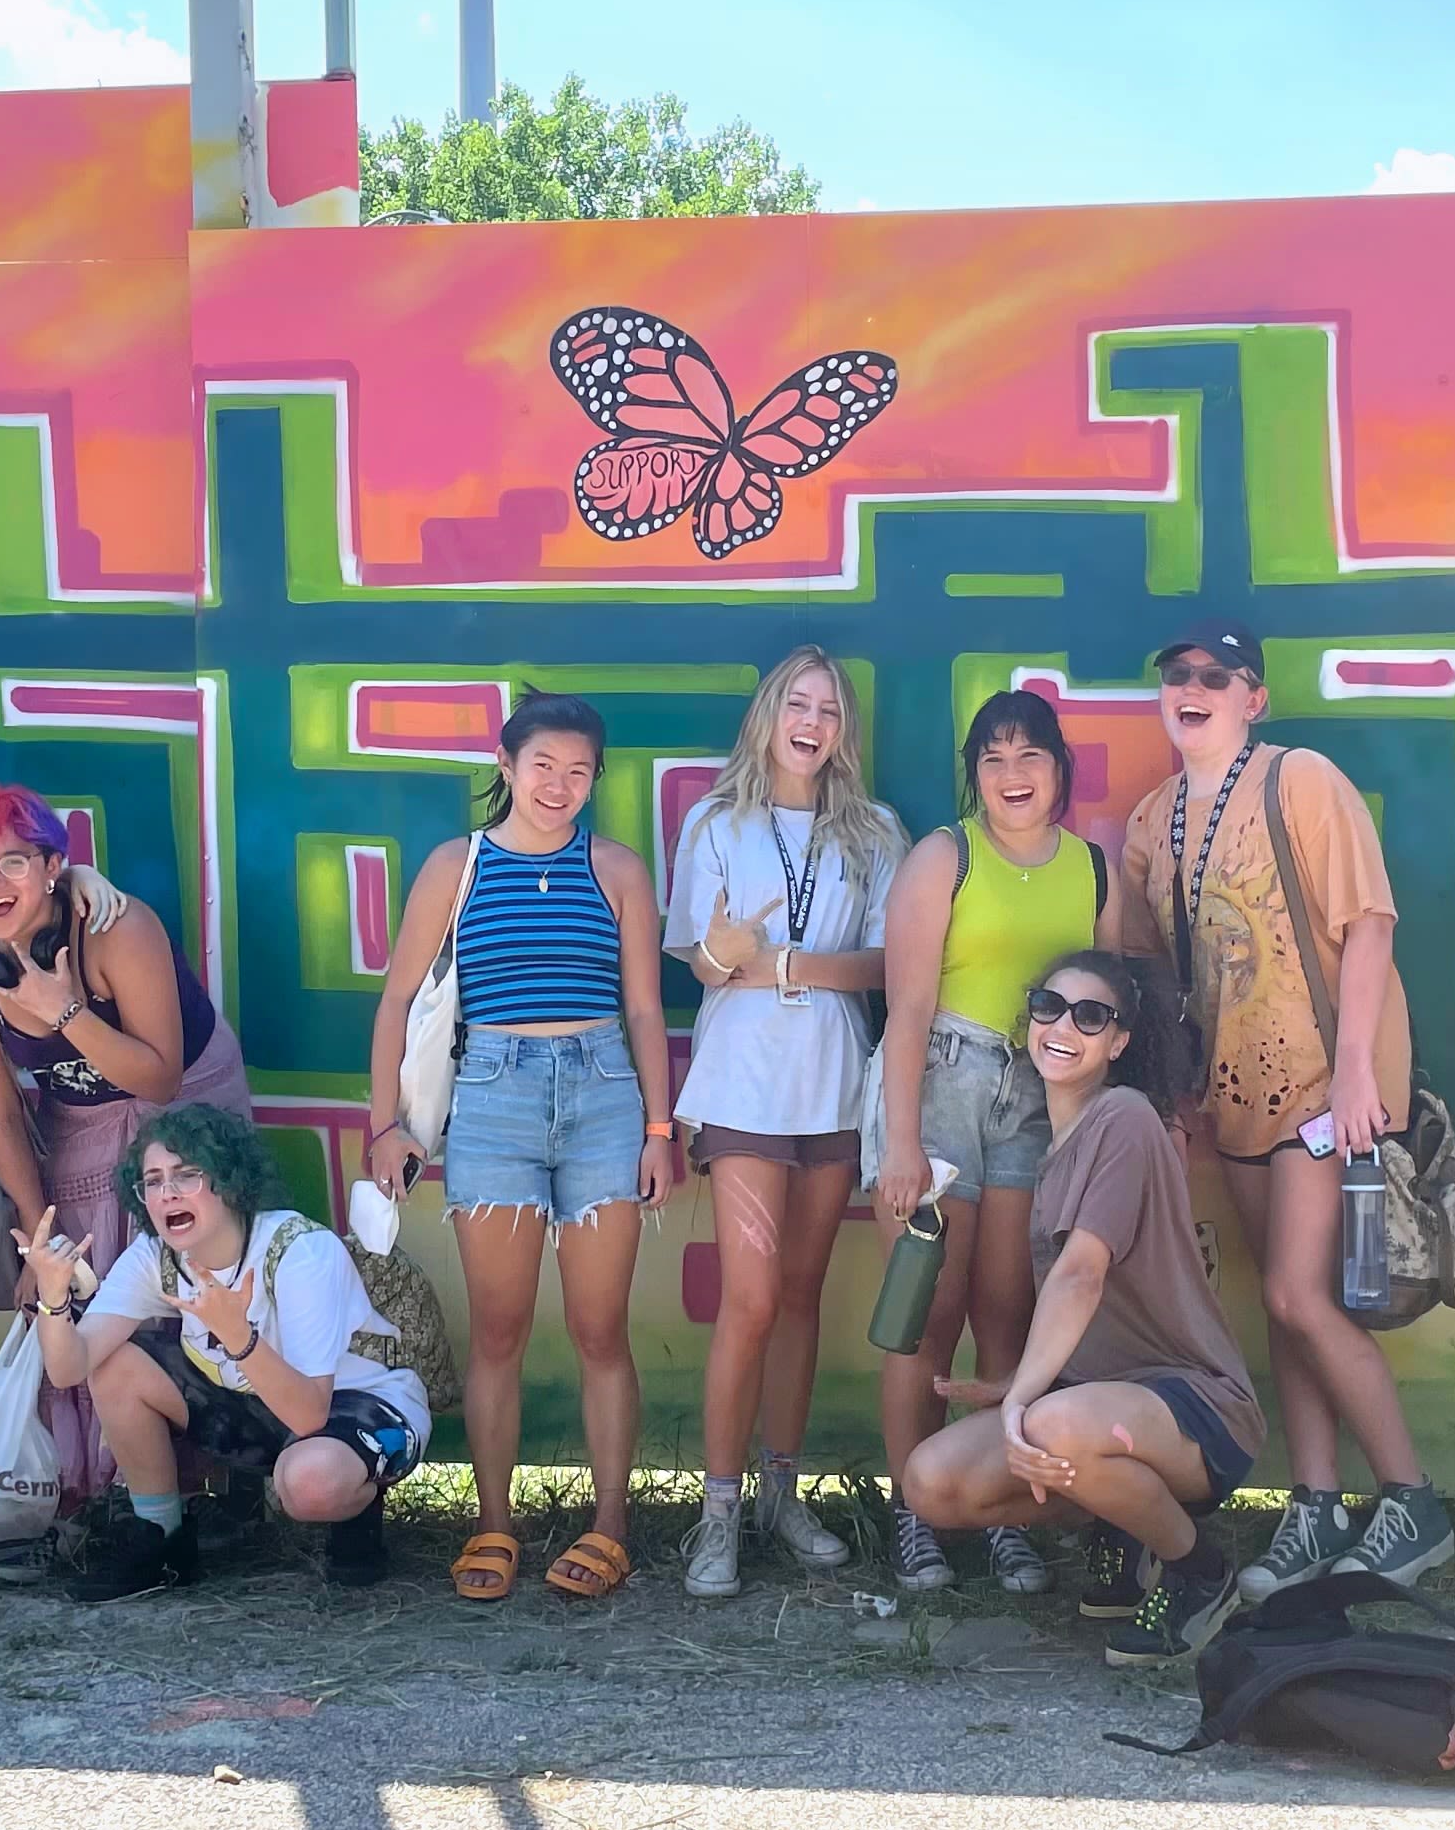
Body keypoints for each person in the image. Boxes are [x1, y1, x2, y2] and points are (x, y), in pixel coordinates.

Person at [1115, 622, 1454, 1600]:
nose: (1192, 688)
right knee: (1285, 1309)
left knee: (1299, 1298)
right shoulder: (1153, 821)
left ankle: (1411, 1499)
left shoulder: (1301, 780)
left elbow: (1370, 924)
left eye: (1214, 676)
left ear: (1252, 697)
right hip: (1234, 1099)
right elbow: (1150, 969)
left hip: (1321, 1085)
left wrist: (1356, 1073)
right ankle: (1314, 1505)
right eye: (1175, 674)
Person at [361, 690, 686, 1604]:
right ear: (505, 767)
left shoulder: (617, 869)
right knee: (497, 1333)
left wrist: (660, 1131)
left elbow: (646, 1009)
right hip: (493, 1099)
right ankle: (492, 1523)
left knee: (600, 1332)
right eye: (542, 764)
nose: (560, 784)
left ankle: (611, 1526)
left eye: (579, 770)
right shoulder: (454, 867)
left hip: (605, 1097)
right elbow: (397, 1000)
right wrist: (382, 1122)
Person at [901, 951, 1265, 1670]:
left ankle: (1200, 1574)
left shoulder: (1125, 1117)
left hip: (1198, 1410)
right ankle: (1125, 1528)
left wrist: (1024, 1399)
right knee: (929, 1481)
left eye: (1090, 1016)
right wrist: (1017, 1391)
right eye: (1049, 1006)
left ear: (1119, 1042)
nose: (1063, 1026)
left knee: (1051, 1426)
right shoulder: (1052, 1150)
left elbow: (1080, 1278)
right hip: (1106, 1406)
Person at [0, 783, 252, 1517]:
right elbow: (3, 1116)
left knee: (192, 1288)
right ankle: (113, 1493)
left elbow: (160, 1075)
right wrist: (37, 1244)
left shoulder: (114, 927)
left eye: (14, 861)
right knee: (84, 1292)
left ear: (53, 868)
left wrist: (61, 1011)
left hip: (188, 1112)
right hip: (79, 1122)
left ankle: (212, 1484)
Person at [660, 648, 896, 1598]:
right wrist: (727, 954)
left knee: (801, 1298)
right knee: (751, 1299)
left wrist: (783, 963)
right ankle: (716, 1514)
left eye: (829, 710)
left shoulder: (876, 832)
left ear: (845, 731)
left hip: (835, 1082)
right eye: (797, 704)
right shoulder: (717, 822)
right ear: (767, 716)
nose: (812, 722)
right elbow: (703, 961)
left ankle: (780, 1496)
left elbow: (883, 964)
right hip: (743, 1082)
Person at [872, 688, 1103, 1599]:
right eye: (994, 758)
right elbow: (908, 1005)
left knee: (1009, 1310)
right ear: (974, 775)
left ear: (1059, 771)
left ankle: (1000, 1509)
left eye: (1031, 756)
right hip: (941, 1082)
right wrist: (898, 1140)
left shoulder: (1092, 867)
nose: (1013, 775)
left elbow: (1112, 1001)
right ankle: (913, 1513)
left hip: (1044, 1095)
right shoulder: (946, 855)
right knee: (924, 1316)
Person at [20, 1105, 427, 1597]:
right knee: (115, 1365)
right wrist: (54, 1296)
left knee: (308, 1484)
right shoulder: (154, 1256)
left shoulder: (300, 1250)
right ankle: (161, 1542)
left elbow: (307, 1412)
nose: (167, 1192)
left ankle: (358, 1506)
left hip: (355, 1407)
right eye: (152, 1181)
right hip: (259, 1409)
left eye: (187, 1175)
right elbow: (69, 1369)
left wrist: (239, 1337)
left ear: (230, 1182)